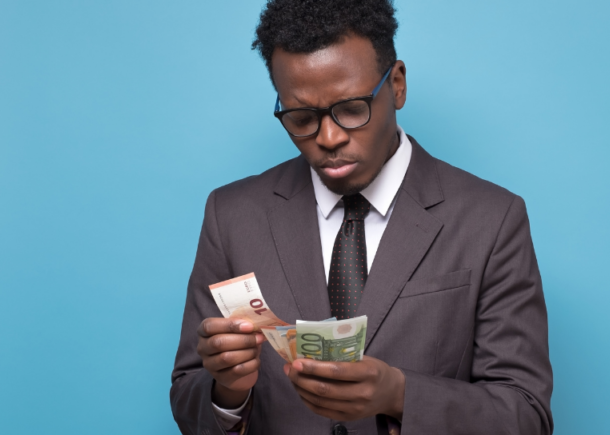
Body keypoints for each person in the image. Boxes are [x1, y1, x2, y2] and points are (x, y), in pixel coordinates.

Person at [170, 0, 553, 434]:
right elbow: (188, 398)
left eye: (352, 109)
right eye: (301, 117)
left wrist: (400, 395)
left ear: (398, 85)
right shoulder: (231, 215)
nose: (329, 139)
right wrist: (228, 392)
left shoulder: (493, 218)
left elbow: (526, 416)